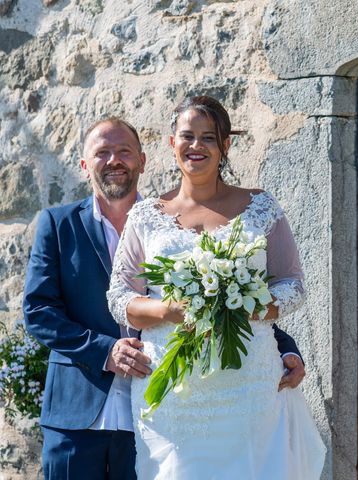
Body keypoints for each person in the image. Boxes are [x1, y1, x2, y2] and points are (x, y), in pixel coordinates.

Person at [22, 117, 306, 480]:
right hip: (80, 410)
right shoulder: (58, 224)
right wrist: (104, 351)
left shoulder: (170, 217)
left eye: (124, 151)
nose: (114, 160)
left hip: (165, 405)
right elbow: (38, 311)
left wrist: (285, 348)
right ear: (84, 164)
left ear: (142, 160)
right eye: (102, 153)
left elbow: (231, 293)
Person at [105, 95, 325, 479]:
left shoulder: (261, 207)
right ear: (171, 143)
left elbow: (293, 284)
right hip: (174, 388)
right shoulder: (146, 216)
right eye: (187, 136)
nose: (196, 146)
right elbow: (119, 295)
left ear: (226, 145)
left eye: (209, 138)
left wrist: (258, 306)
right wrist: (165, 311)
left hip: (248, 383)